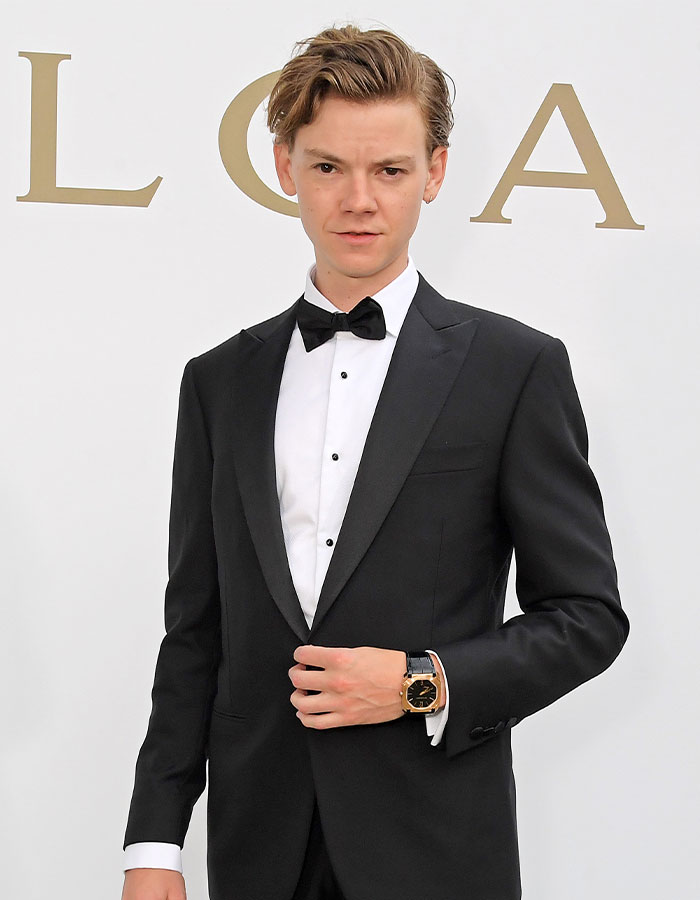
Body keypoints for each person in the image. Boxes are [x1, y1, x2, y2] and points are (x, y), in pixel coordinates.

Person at [121, 23, 629, 900]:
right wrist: (154, 843)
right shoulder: (219, 381)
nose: (359, 200)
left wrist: (419, 683)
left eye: (390, 170)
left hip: (435, 849)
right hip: (258, 850)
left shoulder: (515, 369)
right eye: (329, 167)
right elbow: (196, 631)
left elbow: (588, 618)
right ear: (285, 168)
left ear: (435, 172)